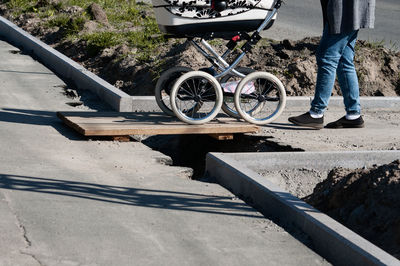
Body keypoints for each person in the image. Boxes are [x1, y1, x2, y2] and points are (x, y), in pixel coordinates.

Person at [288, 0, 375, 129]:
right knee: (344, 60)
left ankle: (316, 113)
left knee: (327, 57)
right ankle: (353, 114)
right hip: (353, 8)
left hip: (345, 8)